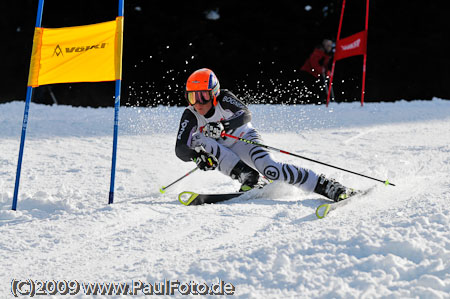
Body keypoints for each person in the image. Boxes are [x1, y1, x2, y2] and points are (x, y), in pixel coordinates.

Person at [175, 68, 354, 201]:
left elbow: (246, 114)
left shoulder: (224, 98)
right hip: (222, 151)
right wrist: (196, 157)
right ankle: (248, 178)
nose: (198, 103)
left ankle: (327, 186)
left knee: (271, 170)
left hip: (244, 138)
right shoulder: (190, 115)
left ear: (214, 93)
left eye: (203, 96)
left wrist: (223, 126)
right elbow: (180, 148)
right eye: (192, 97)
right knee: (200, 139)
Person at [299, 39, 334, 104]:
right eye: (328, 45)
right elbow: (313, 64)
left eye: (330, 45)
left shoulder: (328, 54)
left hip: (316, 74)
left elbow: (324, 66)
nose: (330, 47)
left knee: (321, 86)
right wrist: (321, 70)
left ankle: (323, 101)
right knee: (311, 88)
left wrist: (327, 72)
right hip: (307, 73)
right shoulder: (318, 52)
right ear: (324, 46)